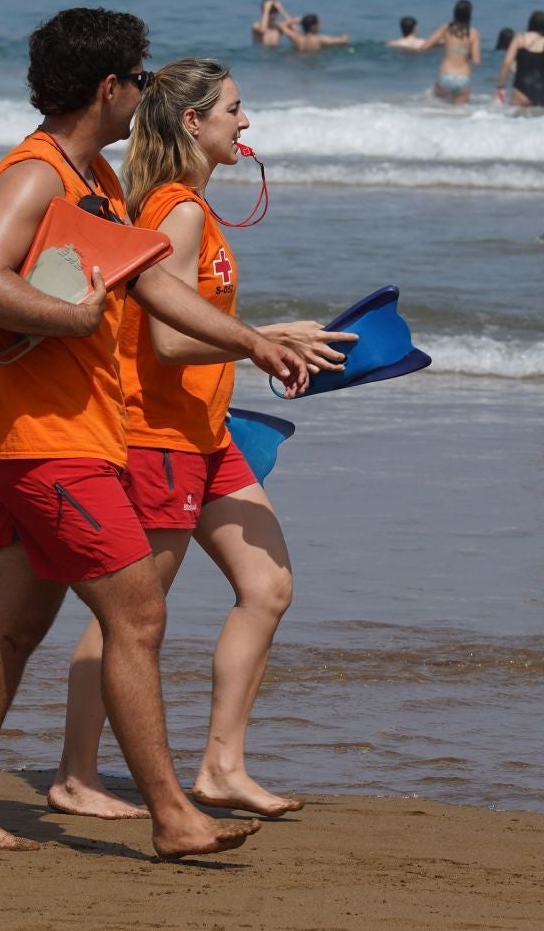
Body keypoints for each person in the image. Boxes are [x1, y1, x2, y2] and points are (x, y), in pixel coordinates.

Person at [0, 7, 307, 857]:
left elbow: (148, 290)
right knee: (137, 615)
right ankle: (175, 816)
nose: (143, 92)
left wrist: (253, 340)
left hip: (71, 437)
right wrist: (66, 315)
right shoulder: (36, 175)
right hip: (45, 442)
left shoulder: (92, 175)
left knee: (13, 629)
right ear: (109, 87)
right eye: (137, 78)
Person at [48, 57, 350, 822]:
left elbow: (195, 327)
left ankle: (221, 768)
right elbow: (168, 343)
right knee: (129, 612)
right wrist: (257, 342)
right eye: (235, 110)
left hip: (206, 433)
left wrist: (269, 336)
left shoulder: (192, 208)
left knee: (268, 585)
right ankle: (77, 775)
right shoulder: (177, 210)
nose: (245, 123)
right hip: (157, 435)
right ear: (195, 121)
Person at [421, 0, 481, 102]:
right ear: (469, 14)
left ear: (455, 12)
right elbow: (477, 61)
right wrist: (466, 53)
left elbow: (425, 47)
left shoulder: (445, 28)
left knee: (437, 108)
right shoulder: (474, 33)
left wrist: (443, 44)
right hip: (463, 77)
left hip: (445, 75)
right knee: (459, 114)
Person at [497, 11, 544, 107]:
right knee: (541, 120)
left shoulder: (519, 39)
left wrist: (500, 85)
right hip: (543, 90)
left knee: (516, 121)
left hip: (521, 89)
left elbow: (507, 62)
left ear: (530, 23)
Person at [276, 12, 349, 52]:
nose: (319, 26)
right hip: (312, 64)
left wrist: (294, 20)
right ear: (313, 26)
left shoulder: (296, 38)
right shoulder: (319, 39)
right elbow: (343, 41)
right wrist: (344, 36)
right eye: (318, 24)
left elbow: (280, 25)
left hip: (299, 62)